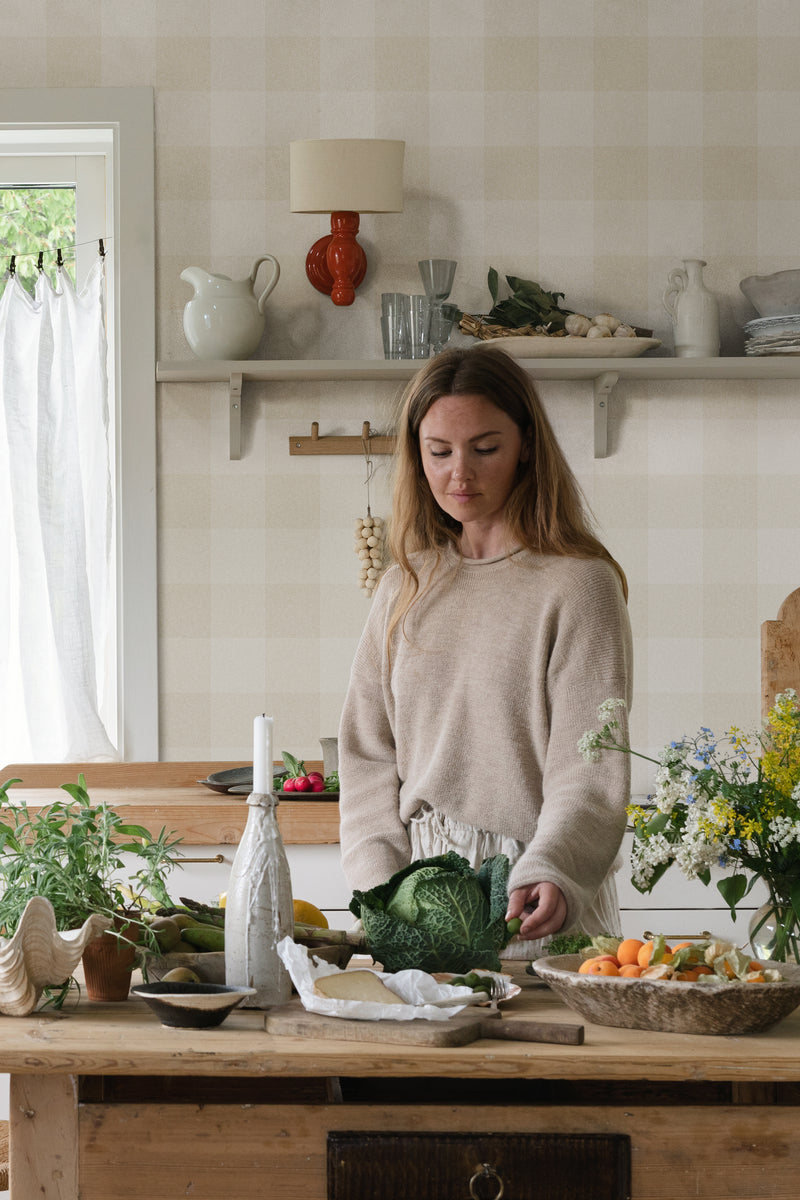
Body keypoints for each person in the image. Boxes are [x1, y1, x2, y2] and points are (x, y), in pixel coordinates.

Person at [338, 345, 633, 956]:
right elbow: (367, 756)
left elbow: (590, 766)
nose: (460, 475)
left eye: (485, 448)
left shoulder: (579, 585)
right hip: (419, 896)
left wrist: (552, 867)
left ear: (526, 444)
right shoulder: (403, 586)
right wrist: (381, 891)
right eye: (438, 452)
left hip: (534, 896)